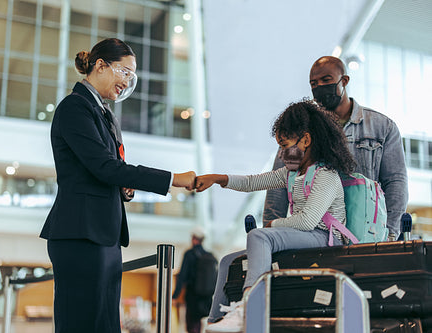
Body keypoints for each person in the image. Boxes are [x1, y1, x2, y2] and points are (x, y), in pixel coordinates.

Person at [39, 38, 196, 333]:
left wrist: (125, 186)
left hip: (102, 232)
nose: (127, 82)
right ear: (100, 66)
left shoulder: (103, 112)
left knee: (105, 324)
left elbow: (108, 169)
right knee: (82, 323)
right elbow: (103, 166)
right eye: (124, 72)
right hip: (80, 232)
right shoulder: (75, 107)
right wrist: (172, 179)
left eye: (131, 76)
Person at [195, 100, 356, 332]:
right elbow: (252, 182)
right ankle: (214, 321)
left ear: (306, 140)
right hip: (304, 235)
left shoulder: (326, 176)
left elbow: (308, 221)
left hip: (325, 237)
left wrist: (273, 224)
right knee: (228, 261)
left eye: (285, 144)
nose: (282, 152)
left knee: (260, 237)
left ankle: (249, 308)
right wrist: (218, 178)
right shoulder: (291, 174)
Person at [264, 56, 408, 241]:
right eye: (313, 83)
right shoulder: (300, 129)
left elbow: (396, 183)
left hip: (365, 235)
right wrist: (272, 232)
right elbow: (278, 187)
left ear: (344, 81)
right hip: (314, 234)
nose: (319, 88)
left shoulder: (381, 127)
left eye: (326, 80)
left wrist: (389, 233)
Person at [173, 226, 216, 333]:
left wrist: (175, 296)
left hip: (192, 296)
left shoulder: (189, 254)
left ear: (193, 238)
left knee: (191, 326)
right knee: (202, 324)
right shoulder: (209, 256)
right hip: (206, 297)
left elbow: (182, 276)